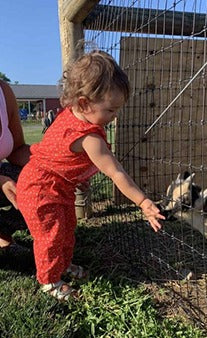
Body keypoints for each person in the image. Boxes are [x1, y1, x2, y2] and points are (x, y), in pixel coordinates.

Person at [16, 51, 165, 301]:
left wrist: (78, 175)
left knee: (66, 228)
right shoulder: (89, 137)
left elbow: (62, 157)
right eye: (111, 110)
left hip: (50, 185)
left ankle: (62, 266)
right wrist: (143, 201)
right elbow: (115, 172)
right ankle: (49, 281)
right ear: (84, 103)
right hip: (41, 190)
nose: (114, 116)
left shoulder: (70, 114)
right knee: (51, 235)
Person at [0, 79, 30, 251]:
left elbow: (17, 149)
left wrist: (58, 167)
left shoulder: (3, 92)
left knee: (41, 182)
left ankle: (2, 230)